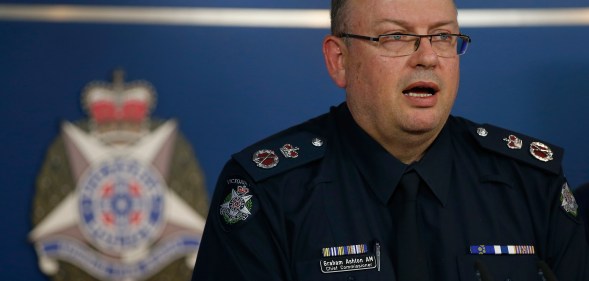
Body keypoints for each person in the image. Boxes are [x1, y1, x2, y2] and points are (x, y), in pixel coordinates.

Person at [192, 0, 588, 280]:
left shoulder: (531, 183)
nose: (427, 57)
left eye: (443, 36)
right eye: (396, 36)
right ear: (339, 60)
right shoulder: (268, 193)